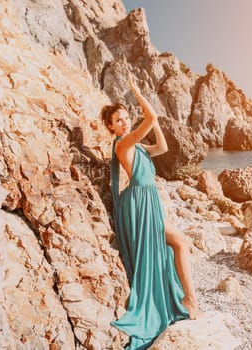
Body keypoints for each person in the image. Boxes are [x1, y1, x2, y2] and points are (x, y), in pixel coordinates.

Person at [102, 73, 201, 350]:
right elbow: (152, 117)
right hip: (139, 204)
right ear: (111, 127)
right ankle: (189, 299)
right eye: (118, 120)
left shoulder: (136, 145)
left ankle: (184, 298)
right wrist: (135, 91)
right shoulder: (122, 144)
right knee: (180, 242)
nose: (124, 122)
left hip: (149, 201)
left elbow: (163, 147)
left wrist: (154, 124)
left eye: (125, 117)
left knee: (174, 246)